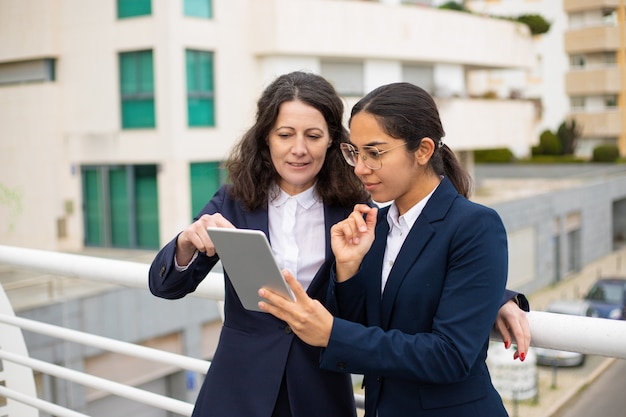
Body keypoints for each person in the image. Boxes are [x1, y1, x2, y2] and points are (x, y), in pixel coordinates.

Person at [149, 72, 529, 417]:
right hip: (237, 390)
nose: (299, 149)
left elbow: (423, 250)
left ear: (332, 140)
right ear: (265, 138)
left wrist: (495, 297)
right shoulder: (233, 202)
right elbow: (166, 285)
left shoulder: (361, 206)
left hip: (319, 391)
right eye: (284, 134)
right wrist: (185, 243)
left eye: (313, 136)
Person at [259, 82, 525, 416]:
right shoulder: (376, 226)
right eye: (355, 152)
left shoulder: (475, 225)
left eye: (375, 153)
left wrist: (332, 333)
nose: (360, 168)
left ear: (423, 150)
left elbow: (451, 355)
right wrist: (347, 268)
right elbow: (363, 329)